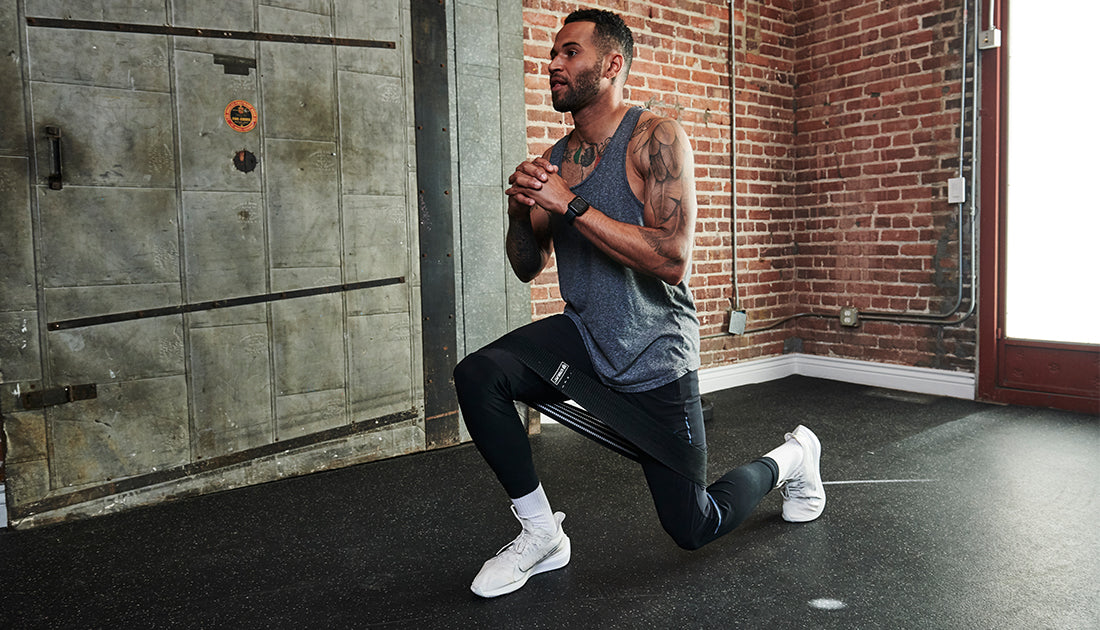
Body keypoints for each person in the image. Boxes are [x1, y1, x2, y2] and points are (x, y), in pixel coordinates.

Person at [452, 8, 825, 599]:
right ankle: (541, 533)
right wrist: (521, 210)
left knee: (693, 525)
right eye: (553, 54)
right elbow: (528, 265)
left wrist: (569, 203)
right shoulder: (559, 158)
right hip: (585, 337)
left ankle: (794, 458)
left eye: (569, 52)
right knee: (479, 376)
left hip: (655, 352)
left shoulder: (656, 138)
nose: (553, 63)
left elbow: (673, 258)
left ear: (612, 64)